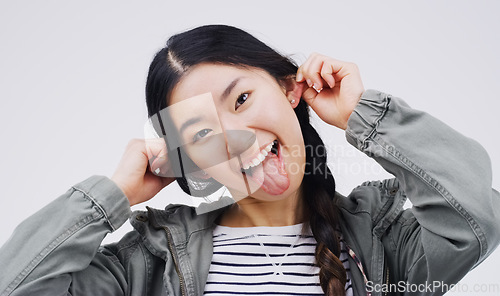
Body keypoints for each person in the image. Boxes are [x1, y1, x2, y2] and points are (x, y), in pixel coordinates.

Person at [0, 24, 499, 296]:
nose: (235, 138)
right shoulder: (145, 265)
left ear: (288, 89)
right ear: (186, 159)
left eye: (240, 100)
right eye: (201, 132)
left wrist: (363, 118)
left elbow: (476, 218)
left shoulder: (381, 243)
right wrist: (114, 196)